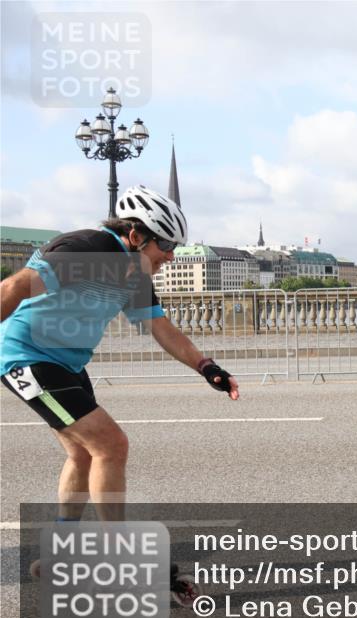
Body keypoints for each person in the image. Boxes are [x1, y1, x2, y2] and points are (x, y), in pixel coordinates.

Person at [1, 185, 239, 531]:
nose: (170, 256)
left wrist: (206, 366)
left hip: (67, 364)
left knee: (83, 454)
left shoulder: (135, 274)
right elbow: (13, 288)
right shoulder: (86, 249)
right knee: (111, 445)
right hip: (26, 356)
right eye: (166, 245)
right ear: (135, 235)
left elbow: (161, 328)